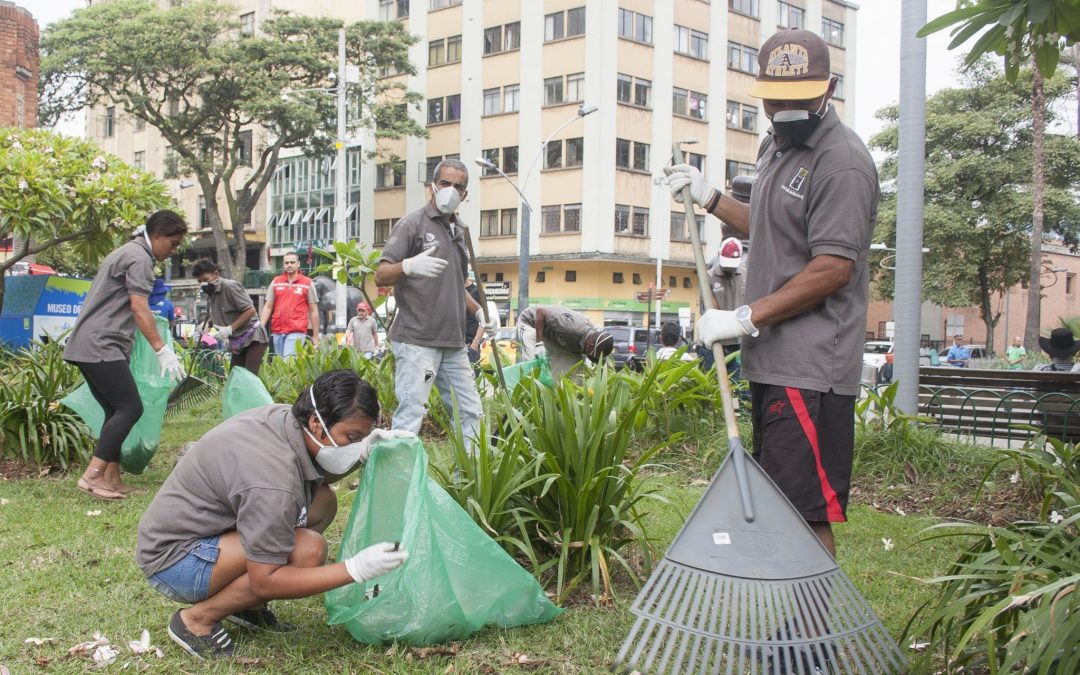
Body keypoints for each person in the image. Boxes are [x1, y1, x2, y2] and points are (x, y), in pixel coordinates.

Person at [665, 27, 879, 563]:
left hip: (810, 367)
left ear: (827, 87)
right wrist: (710, 196)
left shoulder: (842, 162)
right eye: (775, 97)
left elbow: (832, 268)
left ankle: (814, 641)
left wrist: (744, 316)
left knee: (804, 508)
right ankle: (795, 634)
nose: (784, 108)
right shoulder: (775, 147)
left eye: (798, 96)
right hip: (772, 361)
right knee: (783, 499)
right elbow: (766, 223)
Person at [137, 369, 413, 659]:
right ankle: (197, 620)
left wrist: (363, 451)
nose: (356, 445)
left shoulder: (290, 422)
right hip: (175, 561)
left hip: (205, 531)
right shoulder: (273, 479)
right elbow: (265, 579)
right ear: (317, 424)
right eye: (352, 437)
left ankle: (246, 606)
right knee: (307, 551)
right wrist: (354, 569)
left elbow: (320, 475)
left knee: (323, 501)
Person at [63, 210, 188, 500]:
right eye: (173, 243)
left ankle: (112, 478)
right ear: (157, 235)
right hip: (101, 344)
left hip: (89, 343)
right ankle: (92, 476)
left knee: (114, 409)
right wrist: (162, 350)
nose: (173, 251)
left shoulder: (128, 251)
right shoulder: (140, 259)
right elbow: (139, 307)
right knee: (130, 408)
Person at [374, 159, 495, 452]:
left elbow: (455, 285)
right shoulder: (413, 224)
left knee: (471, 414)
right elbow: (381, 273)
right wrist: (407, 265)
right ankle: (398, 488)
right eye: (445, 183)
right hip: (417, 340)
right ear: (432, 186)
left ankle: (468, 482)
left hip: (453, 343)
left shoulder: (459, 232)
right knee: (410, 417)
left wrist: (477, 311)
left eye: (458, 186)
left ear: (465, 195)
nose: (451, 190)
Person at [192, 259, 268, 375]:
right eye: (200, 281)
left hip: (253, 337)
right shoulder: (211, 293)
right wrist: (207, 324)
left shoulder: (230, 286)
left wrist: (230, 328)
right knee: (235, 377)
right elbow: (215, 314)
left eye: (206, 280)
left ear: (216, 274)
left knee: (250, 378)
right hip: (237, 341)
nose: (204, 284)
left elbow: (250, 310)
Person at [516, 305, 614, 378]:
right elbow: (540, 312)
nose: (593, 358)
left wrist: (605, 369)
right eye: (593, 355)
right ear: (590, 345)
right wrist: (539, 344)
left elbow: (597, 358)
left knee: (575, 372)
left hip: (555, 337)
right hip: (532, 323)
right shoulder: (571, 328)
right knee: (532, 365)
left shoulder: (591, 338)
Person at [259, 251, 319, 358]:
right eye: (286, 263)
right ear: (283, 264)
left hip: (297, 331)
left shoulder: (307, 283)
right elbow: (268, 306)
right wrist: (260, 328)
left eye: (292, 262)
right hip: (277, 330)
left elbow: (314, 311)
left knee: (289, 361)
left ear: (298, 264)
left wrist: (315, 335)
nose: (289, 265)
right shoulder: (276, 282)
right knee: (280, 364)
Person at [463, 274, 485, 371]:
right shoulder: (451, 289)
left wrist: (475, 344)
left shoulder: (477, 291)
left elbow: (484, 319)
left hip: (470, 342)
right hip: (455, 342)